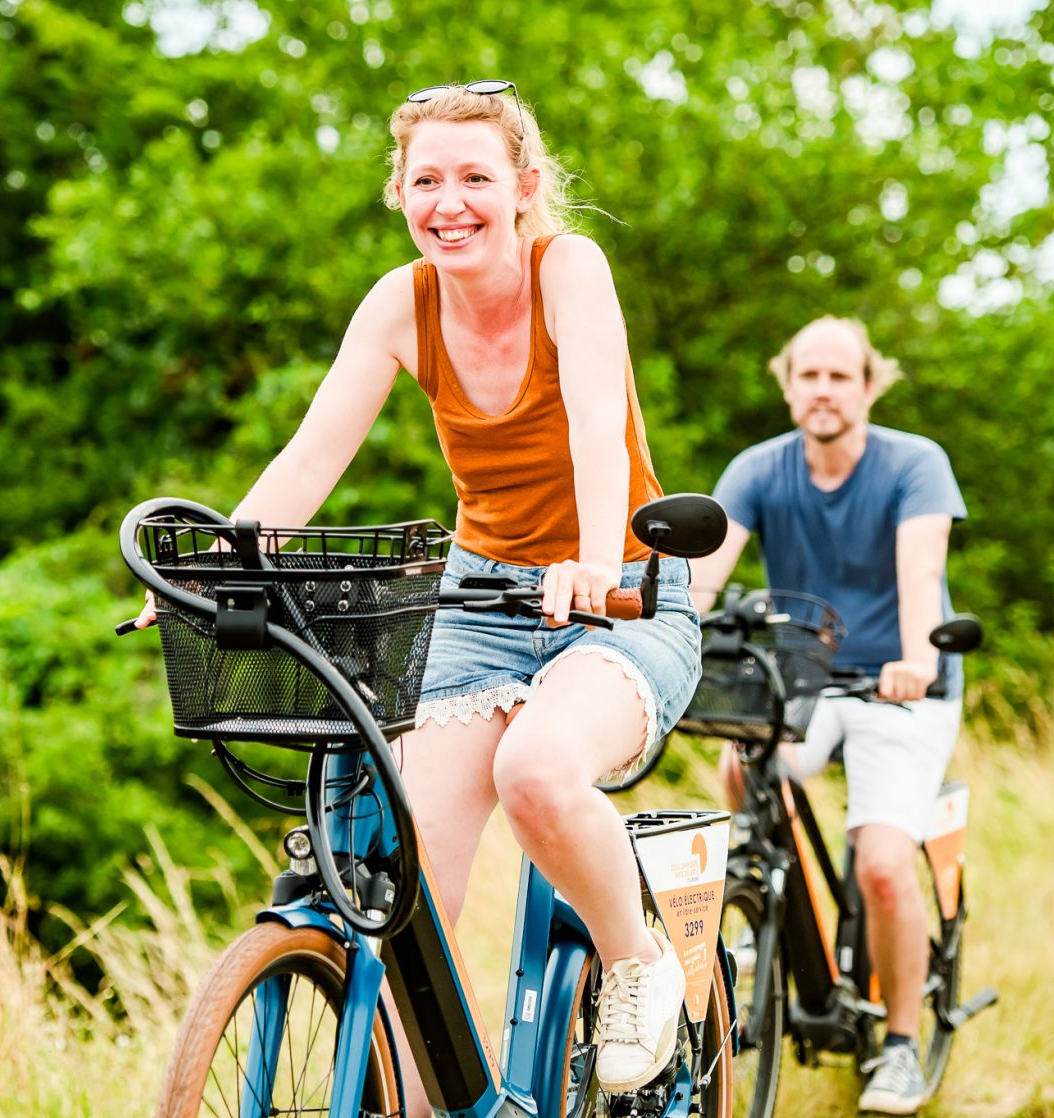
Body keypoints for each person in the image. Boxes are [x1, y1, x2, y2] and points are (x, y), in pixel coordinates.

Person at [135, 81, 701, 1104]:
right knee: (403, 881)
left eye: (476, 177)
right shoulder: (402, 303)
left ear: (525, 188)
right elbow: (310, 461)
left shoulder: (568, 268)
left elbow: (592, 426)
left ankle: (637, 965)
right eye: (427, 178)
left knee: (537, 770)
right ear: (399, 190)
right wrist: (209, 569)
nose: (451, 201)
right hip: (479, 601)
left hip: (616, 590)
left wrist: (582, 554)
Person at [689, 315, 967, 1116]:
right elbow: (704, 582)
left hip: (900, 684)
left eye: (840, 376)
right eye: (808, 375)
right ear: (786, 384)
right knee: (742, 769)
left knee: (881, 861)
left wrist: (918, 655)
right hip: (804, 680)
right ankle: (775, 911)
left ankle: (902, 1047)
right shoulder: (759, 469)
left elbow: (922, 570)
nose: (823, 389)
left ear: (869, 385)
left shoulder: (915, 465)